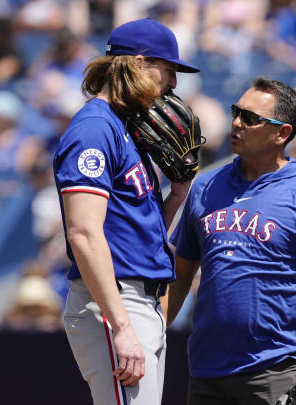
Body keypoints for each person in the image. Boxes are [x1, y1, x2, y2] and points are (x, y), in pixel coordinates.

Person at [165, 77, 296, 405]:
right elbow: (180, 274)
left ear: (282, 133)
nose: (236, 123)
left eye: (250, 118)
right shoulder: (205, 188)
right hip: (207, 370)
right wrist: (152, 335)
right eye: (236, 112)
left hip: (275, 370)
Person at [53, 18, 199, 405]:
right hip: (115, 303)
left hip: (140, 301)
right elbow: (83, 233)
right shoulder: (94, 129)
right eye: (168, 70)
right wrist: (120, 324)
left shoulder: (123, 128)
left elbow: (137, 231)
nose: (172, 83)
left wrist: (176, 195)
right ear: (137, 64)